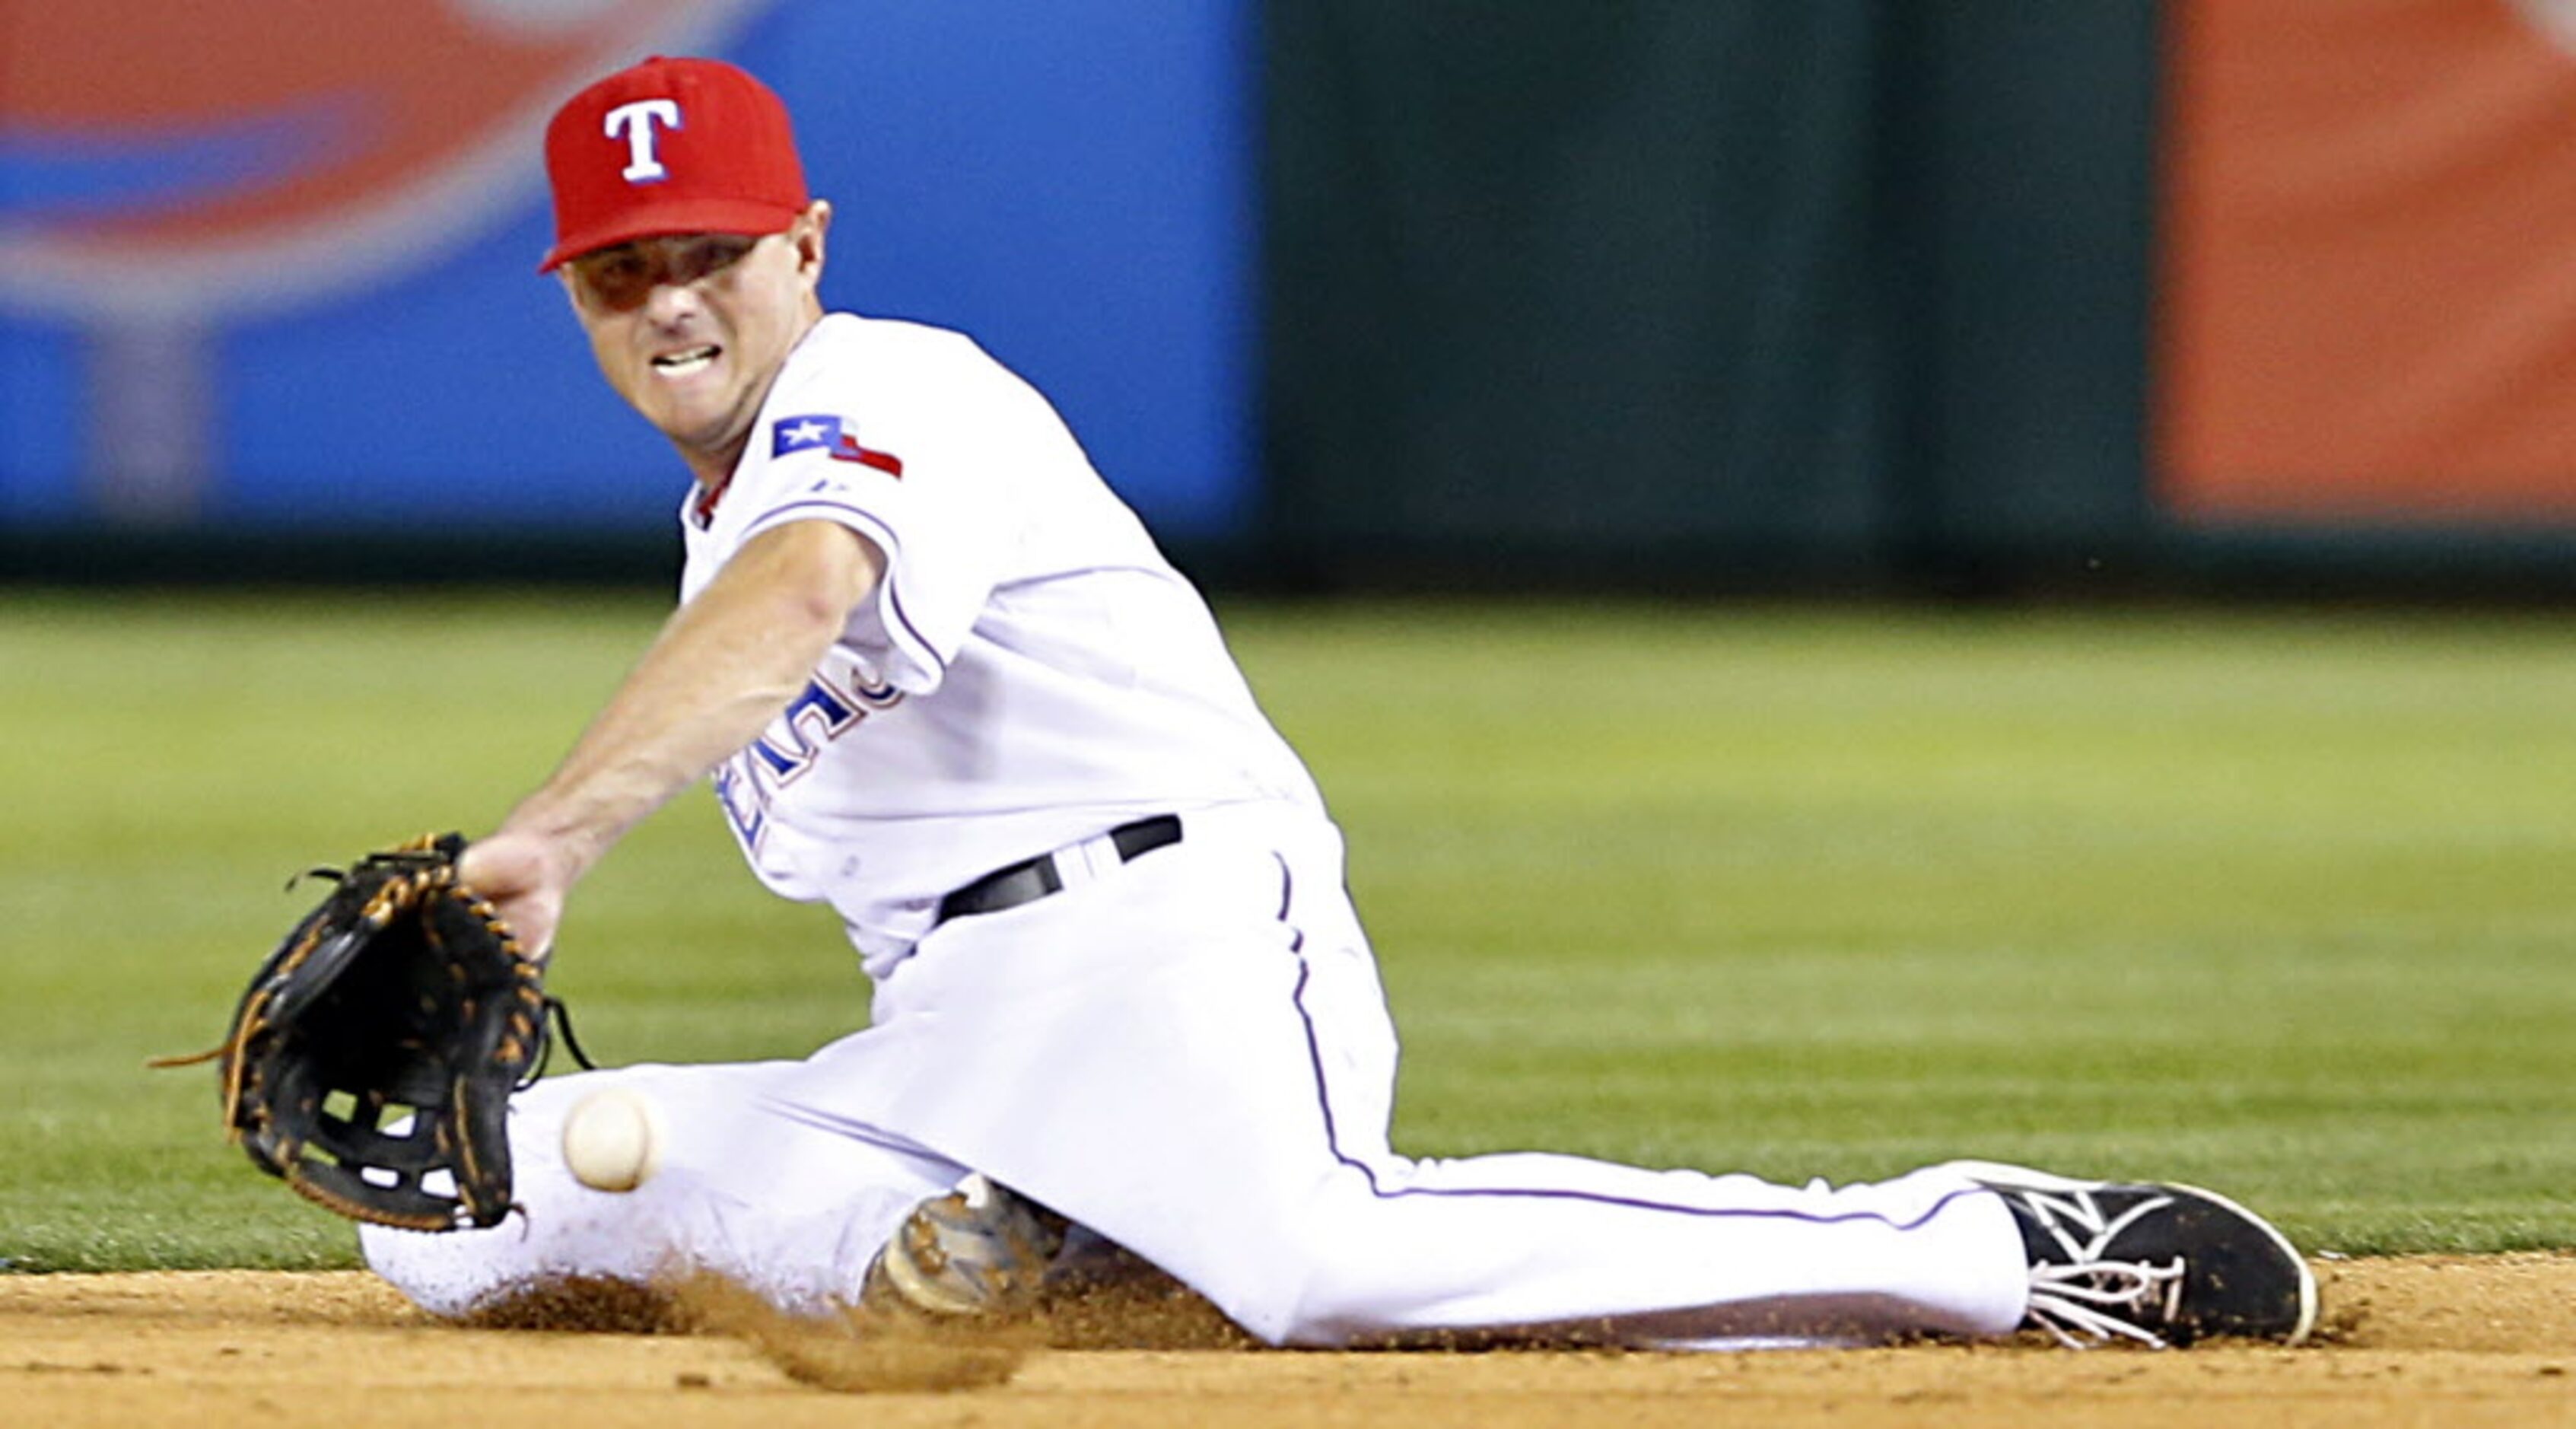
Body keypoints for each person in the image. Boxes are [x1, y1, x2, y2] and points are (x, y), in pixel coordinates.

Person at [360, 55, 2317, 1352]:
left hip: (1169, 936)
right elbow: (757, 600)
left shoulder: (891, 392)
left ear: (804, 247)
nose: (669, 302)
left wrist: (554, 833)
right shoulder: (718, 522)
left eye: (706, 252)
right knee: (450, 1219)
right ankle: (1043, 1227)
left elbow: (810, 592)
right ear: (574, 296)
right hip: (948, 1032)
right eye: (621, 274)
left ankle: (1984, 1253)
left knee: (1319, 1262)